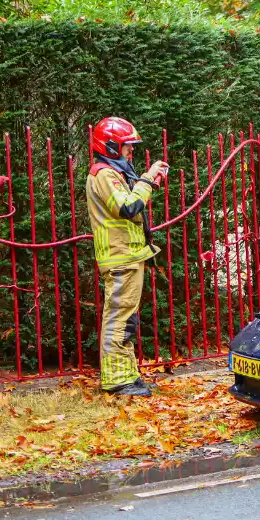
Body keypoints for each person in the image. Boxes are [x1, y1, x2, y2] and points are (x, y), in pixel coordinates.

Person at [86, 117, 167, 396]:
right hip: (119, 258)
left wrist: (148, 182)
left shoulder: (113, 173)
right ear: (110, 147)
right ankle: (118, 381)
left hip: (128, 257)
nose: (131, 152)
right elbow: (128, 207)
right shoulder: (104, 174)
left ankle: (128, 376)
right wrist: (146, 179)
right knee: (119, 319)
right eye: (127, 146)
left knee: (126, 319)